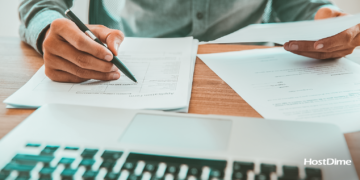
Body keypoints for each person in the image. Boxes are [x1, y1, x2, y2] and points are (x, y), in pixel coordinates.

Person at [19, 0, 360, 83]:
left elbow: (297, 4)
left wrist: (321, 20)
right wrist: (50, 29)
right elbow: (41, 4)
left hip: (252, 73)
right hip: (127, 63)